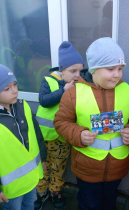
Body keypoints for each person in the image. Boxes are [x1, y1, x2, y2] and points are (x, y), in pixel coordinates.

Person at [54, 37, 129, 210]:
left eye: (120, 68)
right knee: (89, 204)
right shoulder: (74, 93)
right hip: (87, 168)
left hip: (117, 167)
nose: (117, 74)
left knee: (109, 203)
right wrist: (79, 134)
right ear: (94, 69)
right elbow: (61, 122)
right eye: (111, 68)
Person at [0, 61, 47, 210]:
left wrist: (42, 159)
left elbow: (37, 135)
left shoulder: (23, 106)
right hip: (10, 190)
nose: (15, 91)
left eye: (15, 85)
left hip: (31, 178)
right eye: (7, 88)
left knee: (30, 205)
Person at [35, 41, 84, 209]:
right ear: (61, 69)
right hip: (44, 136)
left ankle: (55, 191)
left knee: (58, 167)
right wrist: (64, 91)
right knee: (42, 166)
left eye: (80, 71)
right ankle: (41, 192)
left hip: (62, 138)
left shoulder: (79, 84)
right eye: (73, 71)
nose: (77, 75)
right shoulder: (48, 80)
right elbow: (44, 101)